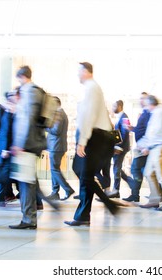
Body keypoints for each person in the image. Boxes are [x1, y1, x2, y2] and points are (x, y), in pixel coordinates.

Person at [64, 62, 119, 226]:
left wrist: (82, 141)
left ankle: (109, 205)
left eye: (79, 71)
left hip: (95, 137)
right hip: (95, 136)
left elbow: (89, 115)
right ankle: (83, 215)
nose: (77, 75)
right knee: (83, 175)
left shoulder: (92, 88)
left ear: (86, 72)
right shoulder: (92, 88)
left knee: (84, 175)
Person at [9, 66, 48, 229]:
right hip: (29, 144)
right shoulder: (33, 91)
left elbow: (28, 120)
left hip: (27, 146)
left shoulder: (30, 92)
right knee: (27, 182)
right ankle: (29, 217)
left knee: (26, 183)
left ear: (22, 76)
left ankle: (29, 219)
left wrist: (20, 144)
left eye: (18, 79)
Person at [138, 95, 162, 212]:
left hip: (161, 147)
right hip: (155, 148)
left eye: (146, 104)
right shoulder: (156, 113)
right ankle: (155, 199)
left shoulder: (159, 113)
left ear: (150, 104)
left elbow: (154, 132)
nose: (145, 107)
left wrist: (146, 145)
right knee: (148, 172)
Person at [122, 92, 151, 202]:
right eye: (140, 99)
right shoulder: (144, 113)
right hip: (141, 147)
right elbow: (141, 129)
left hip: (143, 147)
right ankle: (136, 194)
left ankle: (135, 193)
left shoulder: (147, 113)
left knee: (135, 168)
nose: (141, 101)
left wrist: (146, 147)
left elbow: (149, 130)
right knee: (140, 170)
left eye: (143, 99)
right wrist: (132, 128)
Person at [46, 96, 75, 201]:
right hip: (56, 146)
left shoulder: (59, 114)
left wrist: (46, 126)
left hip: (56, 146)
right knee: (55, 169)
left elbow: (56, 130)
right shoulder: (60, 113)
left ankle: (67, 189)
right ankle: (55, 192)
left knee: (54, 170)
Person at [107, 100, 131, 198]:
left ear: (120, 106)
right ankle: (130, 183)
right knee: (117, 167)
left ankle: (116, 190)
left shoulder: (124, 117)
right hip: (119, 146)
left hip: (121, 147)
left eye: (114, 106)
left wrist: (119, 147)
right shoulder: (120, 117)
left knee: (116, 168)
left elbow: (125, 133)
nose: (113, 108)